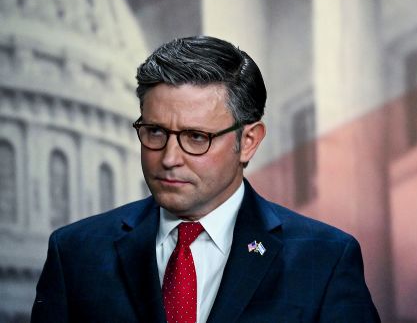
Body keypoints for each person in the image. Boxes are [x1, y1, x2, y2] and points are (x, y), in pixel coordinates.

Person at [31, 36, 380, 322]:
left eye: (196, 137)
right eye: (155, 132)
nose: (169, 158)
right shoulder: (76, 254)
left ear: (248, 141)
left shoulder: (324, 261)